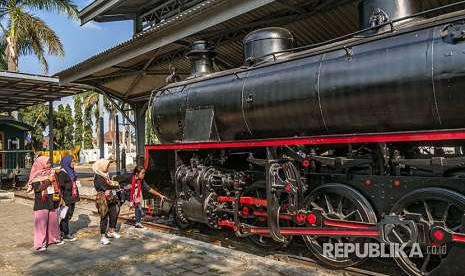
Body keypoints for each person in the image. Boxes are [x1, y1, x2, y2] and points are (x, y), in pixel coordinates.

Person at [29, 156, 63, 251]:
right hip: (42, 202)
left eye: (50, 162)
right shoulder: (36, 175)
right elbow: (38, 189)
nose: (49, 165)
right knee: (41, 223)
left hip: (53, 200)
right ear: (41, 164)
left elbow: (58, 186)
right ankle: (40, 244)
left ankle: (54, 238)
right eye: (47, 163)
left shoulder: (52, 173)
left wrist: (59, 197)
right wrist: (48, 180)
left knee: (53, 222)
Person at [93, 159, 120, 245]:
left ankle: (111, 231)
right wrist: (115, 186)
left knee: (114, 213)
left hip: (110, 197)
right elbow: (105, 186)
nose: (108, 167)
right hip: (102, 199)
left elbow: (110, 185)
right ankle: (102, 236)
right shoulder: (98, 176)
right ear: (101, 166)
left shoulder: (106, 175)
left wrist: (114, 185)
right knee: (104, 216)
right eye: (106, 165)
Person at [57, 155, 80, 241]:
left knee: (68, 215)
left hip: (72, 197)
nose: (73, 163)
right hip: (66, 198)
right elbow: (60, 187)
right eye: (72, 161)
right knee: (65, 216)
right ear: (67, 162)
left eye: (74, 161)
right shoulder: (63, 173)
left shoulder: (71, 171)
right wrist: (61, 199)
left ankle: (61, 231)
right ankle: (65, 233)